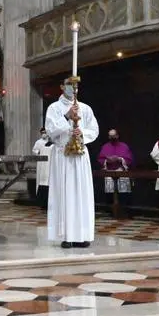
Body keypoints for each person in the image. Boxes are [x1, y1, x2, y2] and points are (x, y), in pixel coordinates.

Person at [45, 78, 99, 248]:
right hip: (63, 155)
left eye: (76, 85)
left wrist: (81, 131)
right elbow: (50, 130)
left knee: (81, 193)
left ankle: (82, 234)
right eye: (69, 84)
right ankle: (66, 234)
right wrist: (66, 117)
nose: (73, 88)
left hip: (80, 154)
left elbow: (94, 130)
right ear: (61, 86)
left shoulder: (85, 108)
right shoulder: (54, 108)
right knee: (65, 192)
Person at [98, 129, 134, 199]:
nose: (112, 138)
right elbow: (100, 159)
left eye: (113, 136)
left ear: (117, 136)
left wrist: (119, 159)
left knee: (123, 196)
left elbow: (129, 159)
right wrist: (107, 160)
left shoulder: (124, 146)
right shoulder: (105, 147)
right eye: (110, 136)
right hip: (109, 172)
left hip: (122, 172)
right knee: (110, 196)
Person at [32, 127, 53, 208]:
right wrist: (38, 152)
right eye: (42, 132)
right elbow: (35, 150)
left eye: (45, 132)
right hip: (41, 164)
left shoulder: (51, 143)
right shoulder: (38, 142)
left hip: (49, 163)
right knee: (41, 179)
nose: (44, 134)